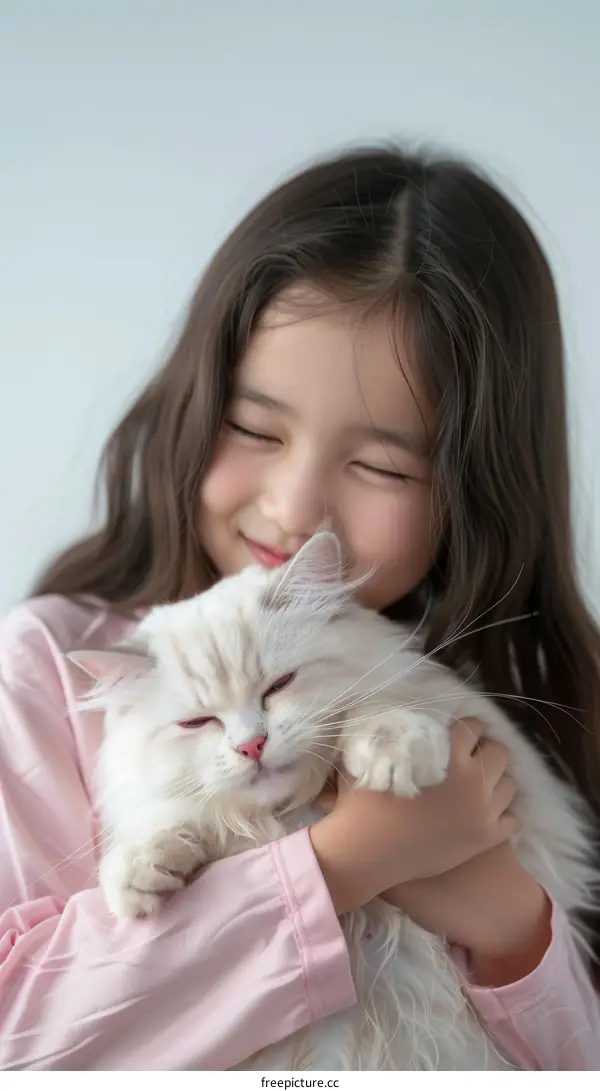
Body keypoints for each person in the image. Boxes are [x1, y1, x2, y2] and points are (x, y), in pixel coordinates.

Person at [1, 144, 599, 1071]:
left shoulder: (508, 699)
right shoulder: (48, 665)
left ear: (480, 490)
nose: (294, 507)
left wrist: (513, 923)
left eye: (382, 466)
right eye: (254, 427)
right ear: (193, 404)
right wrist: (347, 861)